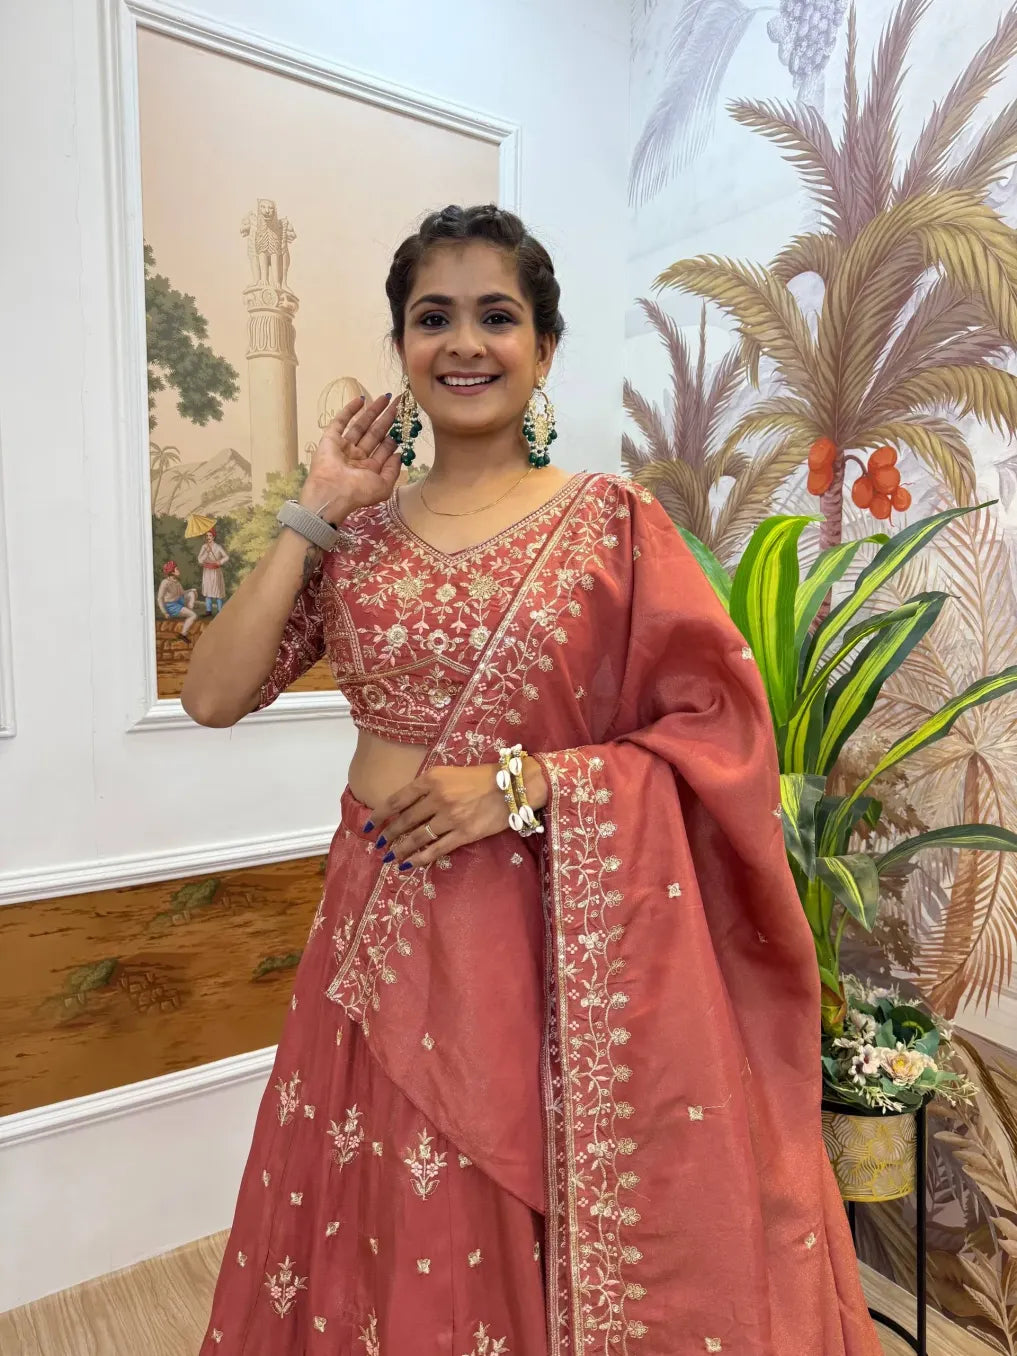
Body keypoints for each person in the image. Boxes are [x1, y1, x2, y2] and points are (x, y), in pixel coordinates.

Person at [182, 205, 881, 1355]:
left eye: (496, 317)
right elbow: (213, 695)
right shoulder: (356, 541)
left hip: (533, 940)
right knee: (363, 1221)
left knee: (497, 1221)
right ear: (403, 345)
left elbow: (722, 731)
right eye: (433, 318)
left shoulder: (613, 526)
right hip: (373, 920)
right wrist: (314, 510)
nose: (465, 343)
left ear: (544, 348)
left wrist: (524, 785)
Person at [156, 560, 198, 640]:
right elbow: (160, 598)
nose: (179, 570)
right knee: (194, 615)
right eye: (177, 569)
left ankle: (188, 612)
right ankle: (183, 634)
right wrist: (164, 612)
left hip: (179, 601)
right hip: (172, 606)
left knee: (192, 593)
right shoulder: (165, 583)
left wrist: (192, 590)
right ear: (172, 572)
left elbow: (182, 593)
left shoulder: (176, 582)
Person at [197, 528, 230, 615]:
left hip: (216, 571)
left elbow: (226, 557)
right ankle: (208, 611)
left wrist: (220, 562)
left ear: (214, 537)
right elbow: (200, 560)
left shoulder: (218, 547)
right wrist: (206, 553)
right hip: (207, 571)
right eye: (207, 535)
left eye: (210, 535)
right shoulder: (204, 547)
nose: (208, 537)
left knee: (217, 591)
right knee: (208, 590)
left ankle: (220, 611)